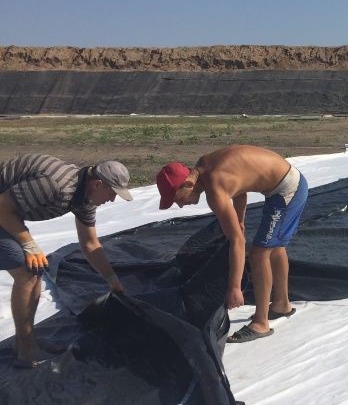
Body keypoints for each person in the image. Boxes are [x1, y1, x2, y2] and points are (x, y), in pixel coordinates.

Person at [156, 145, 308, 344]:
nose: (179, 205)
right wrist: (240, 220)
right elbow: (240, 186)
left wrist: (234, 287)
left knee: (259, 253)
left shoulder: (214, 188)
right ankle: (281, 304)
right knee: (275, 246)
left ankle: (261, 322)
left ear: (186, 185)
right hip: (285, 183)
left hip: (288, 189)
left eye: (176, 199)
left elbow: (237, 241)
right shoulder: (202, 166)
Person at [0, 155, 133, 368]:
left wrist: (112, 279)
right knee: (26, 272)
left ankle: (26, 341)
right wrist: (29, 244)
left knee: (36, 269)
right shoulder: (56, 185)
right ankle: (25, 352)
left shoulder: (85, 199)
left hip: (7, 210)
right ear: (98, 184)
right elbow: (3, 208)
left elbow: (90, 244)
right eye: (112, 193)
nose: (112, 200)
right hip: (2, 209)